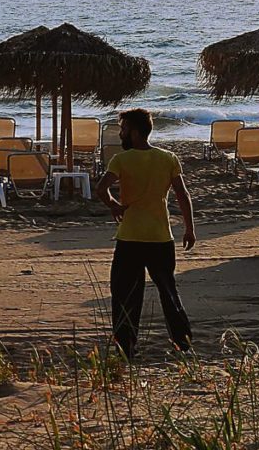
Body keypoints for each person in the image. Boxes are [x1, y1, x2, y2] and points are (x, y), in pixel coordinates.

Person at [96, 108, 195, 359]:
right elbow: (183, 195)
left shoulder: (121, 160)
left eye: (124, 129)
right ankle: (182, 343)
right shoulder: (168, 158)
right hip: (161, 237)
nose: (121, 133)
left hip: (130, 237)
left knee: (125, 294)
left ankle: (126, 346)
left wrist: (114, 206)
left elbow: (101, 188)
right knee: (168, 291)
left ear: (136, 132)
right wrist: (189, 228)